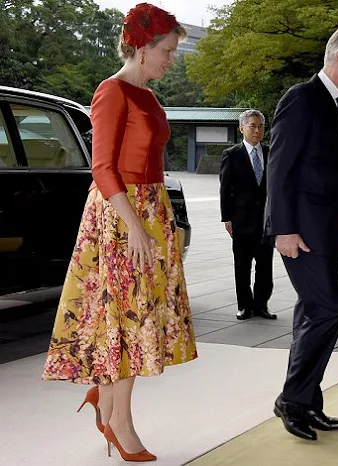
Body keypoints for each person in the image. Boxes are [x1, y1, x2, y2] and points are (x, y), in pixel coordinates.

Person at [42, 3, 197, 461]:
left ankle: (107, 403)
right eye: (167, 51)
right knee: (126, 319)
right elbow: (103, 167)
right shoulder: (112, 92)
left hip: (150, 211)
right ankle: (118, 420)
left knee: (131, 316)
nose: (171, 59)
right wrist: (135, 227)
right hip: (121, 215)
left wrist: (159, 222)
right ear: (142, 49)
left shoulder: (149, 96)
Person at [265, 25, 338, 441]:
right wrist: (283, 230)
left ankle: (309, 402)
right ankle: (292, 400)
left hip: (328, 229)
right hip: (301, 231)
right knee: (329, 308)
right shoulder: (302, 98)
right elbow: (279, 170)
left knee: (316, 312)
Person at [220, 109, 276, 321]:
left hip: (266, 221)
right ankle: (244, 305)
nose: (257, 130)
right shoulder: (232, 155)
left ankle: (261, 305)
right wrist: (227, 218)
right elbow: (225, 189)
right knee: (242, 266)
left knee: (265, 266)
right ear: (241, 128)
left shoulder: (271, 152)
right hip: (241, 220)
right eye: (252, 126)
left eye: (260, 126)